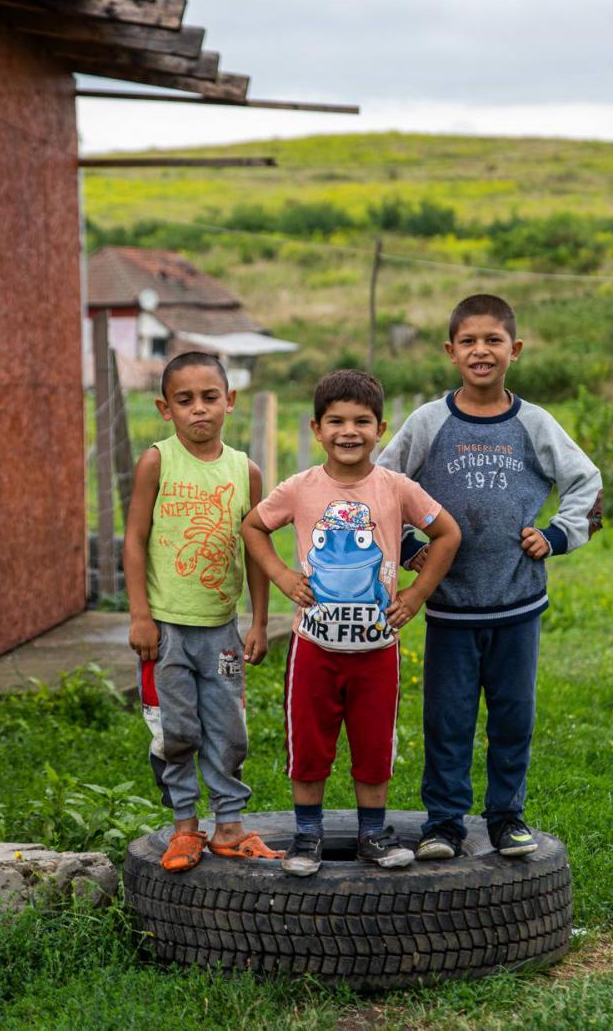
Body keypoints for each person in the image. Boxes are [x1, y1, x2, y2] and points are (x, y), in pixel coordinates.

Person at [378, 294, 603, 860]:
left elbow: (587, 483)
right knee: (447, 721)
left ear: (515, 350)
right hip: (449, 607)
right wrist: (408, 549)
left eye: (493, 340)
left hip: (517, 604)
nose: (481, 351)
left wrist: (555, 536)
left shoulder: (534, 423)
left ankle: (506, 817)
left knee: (512, 719)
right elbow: (379, 487)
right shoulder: (429, 422)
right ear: (451, 351)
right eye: (469, 341)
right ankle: (446, 823)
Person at [242, 369, 461, 877]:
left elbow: (447, 534)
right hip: (313, 649)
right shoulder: (298, 489)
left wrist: (415, 595)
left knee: (373, 743)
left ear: (381, 428)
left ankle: (373, 835)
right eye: (336, 420)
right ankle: (306, 836)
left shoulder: (396, 487)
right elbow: (253, 526)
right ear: (316, 428)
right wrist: (280, 574)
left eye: (362, 421)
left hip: (377, 651)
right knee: (310, 744)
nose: (349, 431)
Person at [124, 352, 281, 872]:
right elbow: (134, 540)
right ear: (164, 408)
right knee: (176, 731)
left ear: (229, 401)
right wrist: (140, 615)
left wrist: (258, 621)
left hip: (222, 632)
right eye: (184, 400)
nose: (198, 410)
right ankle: (185, 828)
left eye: (209, 398)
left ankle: (230, 826)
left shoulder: (246, 471)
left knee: (227, 728)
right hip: (166, 631)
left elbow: (256, 552)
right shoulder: (157, 461)